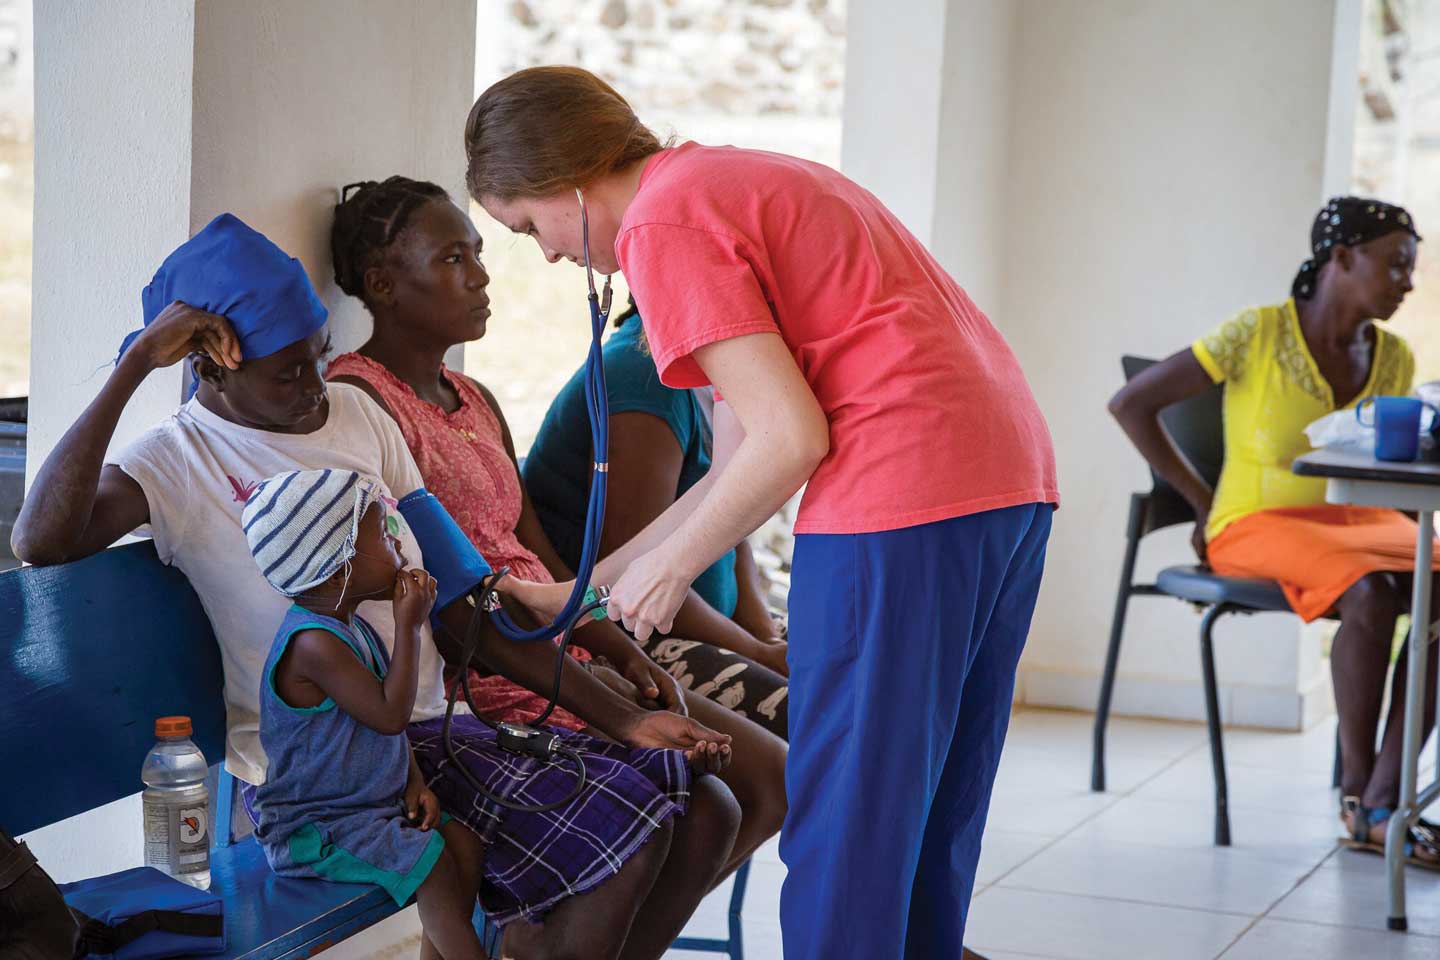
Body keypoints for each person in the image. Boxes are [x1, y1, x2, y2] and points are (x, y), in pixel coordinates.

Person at [10, 213, 743, 960]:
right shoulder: (176, 462)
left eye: (319, 359)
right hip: (335, 772)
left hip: (433, 733)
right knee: (640, 828)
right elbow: (40, 539)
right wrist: (136, 363)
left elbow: (463, 598)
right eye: (287, 372)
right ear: (209, 363)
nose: (314, 388)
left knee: (708, 809)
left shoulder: (360, 413)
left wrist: (620, 711)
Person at [464, 66, 1059, 958]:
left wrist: (665, 578)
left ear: (566, 180)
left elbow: (792, 440)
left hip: (901, 492)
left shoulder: (665, 225)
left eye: (526, 227)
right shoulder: (730, 180)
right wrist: (580, 594)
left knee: (849, 821)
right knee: (931, 807)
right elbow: (737, 467)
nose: (546, 254)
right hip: (1006, 478)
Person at [324, 175, 788, 863]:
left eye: (480, 254)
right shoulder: (362, 403)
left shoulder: (472, 396)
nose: (483, 277)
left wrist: (622, 649)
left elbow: (539, 559)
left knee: (764, 780)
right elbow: (446, 599)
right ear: (382, 284)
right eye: (455, 259)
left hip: (559, 643)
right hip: (483, 667)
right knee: (705, 800)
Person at [1109, 196, 1440, 868]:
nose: (1409, 281)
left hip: (1362, 522)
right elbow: (1132, 403)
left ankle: (1386, 799)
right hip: (1256, 523)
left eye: (1412, 269)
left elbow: (1381, 462)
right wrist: (1200, 503)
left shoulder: (1395, 356)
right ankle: (1360, 798)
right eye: (1397, 266)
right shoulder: (1256, 332)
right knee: (1372, 593)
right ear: (1342, 260)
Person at [244, 469, 486, 959]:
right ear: (337, 570)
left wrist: (414, 783)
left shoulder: (350, 630)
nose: (397, 541)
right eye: (382, 532)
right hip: (316, 825)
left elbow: (384, 731)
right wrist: (410, 627)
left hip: (366, 809)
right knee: (433, 864)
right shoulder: (314, 644)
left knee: (464, 845)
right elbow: (391, 715)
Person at [525, 294, 790, 739]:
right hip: (644, 637)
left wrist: (765, 636)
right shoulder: (645, 378)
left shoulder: (700, 377)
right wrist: (759, 654)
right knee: (814, 714)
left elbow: (732, 515)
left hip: (716, 626)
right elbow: (638, 578)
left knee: (846, 673)